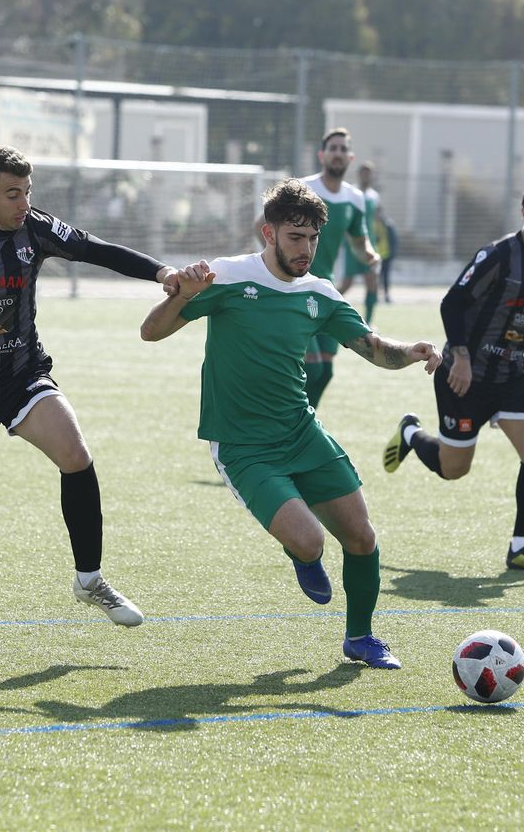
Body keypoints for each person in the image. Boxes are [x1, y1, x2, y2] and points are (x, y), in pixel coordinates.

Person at [139, 179, 441, 669]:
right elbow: (150, 332)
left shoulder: (318, 292)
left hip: (301, 432)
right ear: (269, 233)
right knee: (311, 541)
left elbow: (374, 349)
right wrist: (181, 296)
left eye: (314, 239)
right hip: (243, 447)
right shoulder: (228, 276)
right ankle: (301, 553)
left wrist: (412, 352)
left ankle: (361, 638)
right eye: (296, 237)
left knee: (362, 537)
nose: (307, 249)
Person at [0, 145, 179, 625]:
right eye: (11, 193)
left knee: (76, 455)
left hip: (20, 372)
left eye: (27, 191)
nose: (23, 203)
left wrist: (161, 272)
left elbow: (96, 249)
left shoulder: (34, 227)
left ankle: (89, 579)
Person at [382, 169, 524, 574]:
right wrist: (461, 356)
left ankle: (522, 545)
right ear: (523, 211)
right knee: (454, 470)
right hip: (464, 373)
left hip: (511, 375)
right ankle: (410, 433)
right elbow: (451, 303)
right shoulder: (497, 255)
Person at [299, 128, 379, 407]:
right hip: (297, 288)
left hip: (326, 290)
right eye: (333, 148)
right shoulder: (303, 189)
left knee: (326, 371)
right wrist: (282, 265)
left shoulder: (354, 198)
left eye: (343, 149)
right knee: (313, 369)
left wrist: (369, 255)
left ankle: (301, 428)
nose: (338, 153)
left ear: (351, 157)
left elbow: (359, 241)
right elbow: (261, 225)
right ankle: (289, 426)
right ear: (322, 155)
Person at [335, 161, 394, 323]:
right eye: (363, 172)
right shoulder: (351, 193)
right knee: (347, 284)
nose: (366, 176)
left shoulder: (374, 196)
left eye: (369, 173)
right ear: (358, 174)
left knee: (372, 282)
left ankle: (368, 323)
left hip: (370, 245)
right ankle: (326, 309)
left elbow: (374, 218)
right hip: (353, 245)